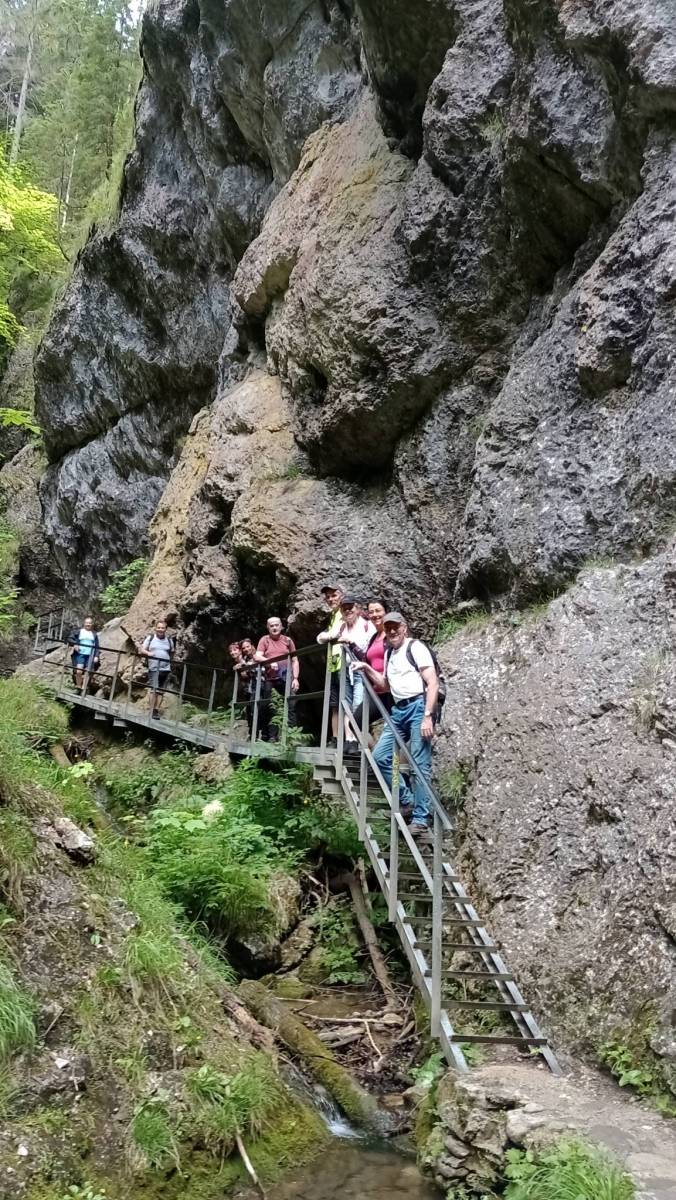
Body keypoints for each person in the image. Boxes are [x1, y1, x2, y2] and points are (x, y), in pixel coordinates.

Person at [352, 612, 439, 837]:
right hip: (398, 710)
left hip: (418, 707)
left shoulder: (415, 647)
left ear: (404, 628)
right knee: (381, 756)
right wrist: (366, 668)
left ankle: (421, 818)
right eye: (388, 627)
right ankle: (406, 799)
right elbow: (385, 685)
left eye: (396, 627)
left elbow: (432, 683)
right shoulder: (390, 652)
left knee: (419, 764)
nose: (392, 631)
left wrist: (428, 716)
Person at [334, 596, 375, 749]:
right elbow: (324, 637)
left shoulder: (367, 626)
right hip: (347, 669)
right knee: (347, 705)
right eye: (344, 608)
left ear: (357, 609)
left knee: (358, 705)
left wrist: (351, 642)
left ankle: (360, 743)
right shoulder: (342, 627)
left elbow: (369, 650)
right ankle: (349, 739)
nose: (348, 610)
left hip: (361, 670)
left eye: (350, 607)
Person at [255, 617, 299, 741]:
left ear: (281, 626)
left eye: (276, 625)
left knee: (291, 704)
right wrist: (270, 662)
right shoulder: (265, 640)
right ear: (268, 627)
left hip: (286, 677)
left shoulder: (287, 640)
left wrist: (296, 678)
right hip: (271, 679)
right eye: (271, 626)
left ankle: (291, 736)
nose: (274, 628)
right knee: (271, 706)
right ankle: (272, 736)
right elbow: (257, 656)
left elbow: (295, 660)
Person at [352, 599, 391, 732]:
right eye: (371, 612)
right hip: (377, 692)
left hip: (391, 691)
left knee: (395, 731)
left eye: (378, 611)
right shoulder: (374, 638)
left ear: (386, 612)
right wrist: (351, 645)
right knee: (355, 722)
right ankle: (373, 746)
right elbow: (366, 658)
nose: (374, 615)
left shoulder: (392, 634)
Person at [316, 583, 344, 744]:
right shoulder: (334, 615)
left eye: (334, 595)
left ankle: (349, 739)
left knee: (345, 702)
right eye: (328, 597)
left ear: (341, 595)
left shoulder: (344, 612)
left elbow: (333, 634)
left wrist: (323, 636)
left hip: (344, 664)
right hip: (334, 664)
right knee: (334, 703)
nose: (331, 599)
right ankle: (335, 738)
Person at [139, 619, 175, 719]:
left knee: (161, 691)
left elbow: (172, 652)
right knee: (154, 689)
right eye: (158, 627)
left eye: (162, 628)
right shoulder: (150, 638)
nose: (160, 629)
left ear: (165, 629)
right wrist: (149, 653)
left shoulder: (169, 640)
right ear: (155, 628)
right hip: (154, 667)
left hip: (166, 668)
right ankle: (151, 710)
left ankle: (156, 710)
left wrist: (168, 661)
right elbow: (142, 649)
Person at [68, 616, 100, 691]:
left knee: (88, 672)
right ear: (84, 623)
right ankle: (78, 686)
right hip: (80, 654)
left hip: (90, 655)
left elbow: (97, 646)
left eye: (90, 623)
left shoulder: (94, 634)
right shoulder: (79, 632)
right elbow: (69, 638)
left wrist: (96, 656)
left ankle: (83, 688)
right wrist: (75, 644)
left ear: (92, 624)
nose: (88, 624)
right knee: (79, 671)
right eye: (87, 623)